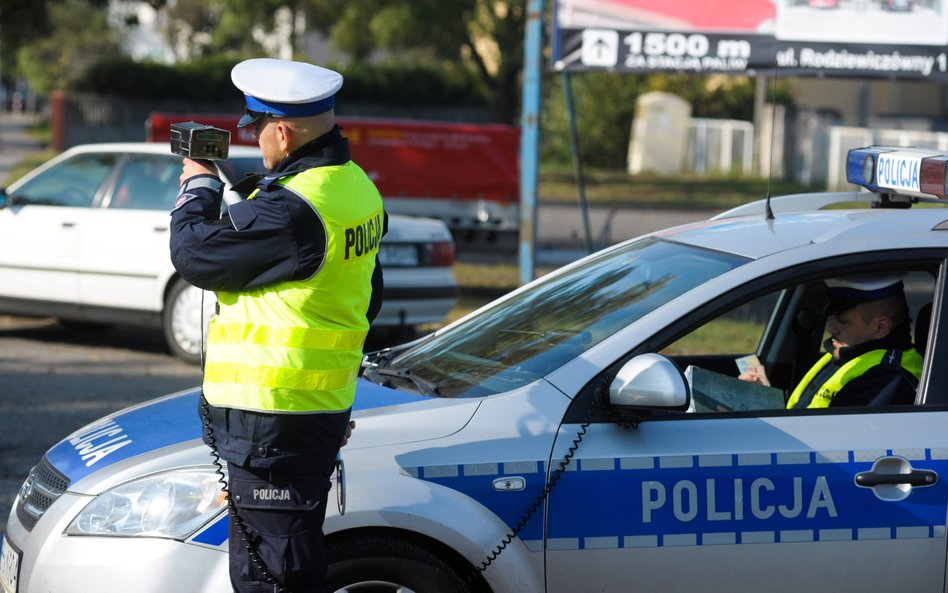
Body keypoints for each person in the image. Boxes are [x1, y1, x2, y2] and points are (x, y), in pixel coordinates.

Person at [169, 58, 385, 593]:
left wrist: (198, 188)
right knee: (283, 559)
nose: (256, 140)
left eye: (257, 128)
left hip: (274, 421)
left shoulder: (293, 212)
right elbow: (365, 296)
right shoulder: (353, 186)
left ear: (282, 134)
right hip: (309, 412)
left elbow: (194, 253)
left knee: (271, 575)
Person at [740, 274, 923, 408]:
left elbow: (823, 443)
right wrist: (761, 402)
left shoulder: (886, 377)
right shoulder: (848, 353)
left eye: (843, 321)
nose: (831, 327)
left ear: (881, 327)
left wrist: (753, 421)